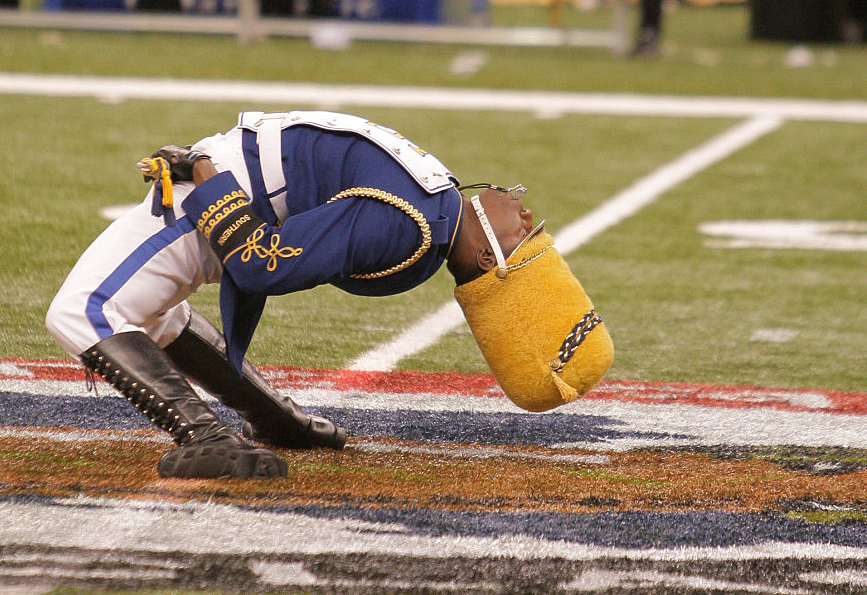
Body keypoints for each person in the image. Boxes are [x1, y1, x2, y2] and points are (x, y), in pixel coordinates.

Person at [46, 111, 613, 480]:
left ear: (490, 257)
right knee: (148, 312)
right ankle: (278, 419)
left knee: (84, 309)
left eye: (525, 233)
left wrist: (203, 169)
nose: (527, 214)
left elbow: (261, 264)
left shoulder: (411, 224)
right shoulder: (433, 210)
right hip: (245, 190)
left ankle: (205, 433)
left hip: (226, 199)